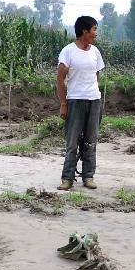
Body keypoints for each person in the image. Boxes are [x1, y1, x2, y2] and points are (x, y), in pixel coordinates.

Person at [56, 16, 105, 190]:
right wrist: (63, 103)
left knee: (91, 141)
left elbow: (96, 76)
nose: (96, 33)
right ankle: (67, 178)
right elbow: (60, 79)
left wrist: (93, 92)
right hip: (75, 101)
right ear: (84, 31)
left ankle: (88, 177)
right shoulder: (68, 51)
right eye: (94, 29)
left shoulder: (95, 52)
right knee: (72, 143)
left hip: (94, 101)